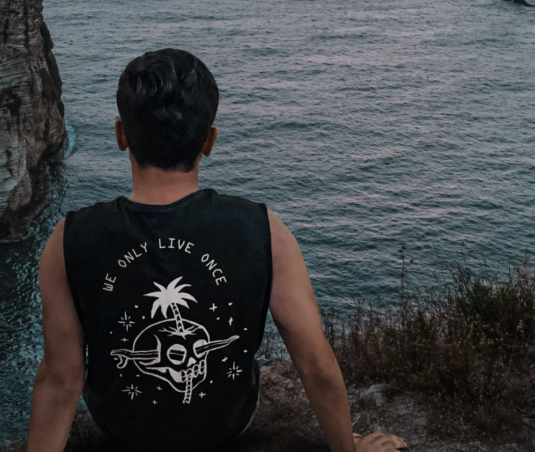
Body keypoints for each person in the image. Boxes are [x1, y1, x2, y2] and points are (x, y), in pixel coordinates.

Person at [26, 48, 406, 452]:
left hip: (119, 432)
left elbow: (60, 379)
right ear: (209, 140)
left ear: (121, 135)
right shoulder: (264, 229)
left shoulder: (68, 239)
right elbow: (316, 364)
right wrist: (347, 450)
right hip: (232, 428)